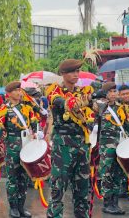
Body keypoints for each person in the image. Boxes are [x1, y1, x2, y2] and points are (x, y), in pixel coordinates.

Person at [45, 59, 94, 218]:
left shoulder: (82, 91)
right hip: (63, 144)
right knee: (58, 188)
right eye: (72, 72)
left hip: (82, 143)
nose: (76, 75)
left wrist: (95, 100)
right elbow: (66, 104)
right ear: (63, 74)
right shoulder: (54, 90)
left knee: (82, 188)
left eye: (77, 71)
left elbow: (97, 109)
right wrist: (86, 101)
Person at [0, 81, 36, 218]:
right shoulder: (3, 109)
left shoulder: (27, 108)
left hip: (26, 145)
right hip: (12, 146)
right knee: (13, 178)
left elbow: (34, 123)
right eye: (16, 91)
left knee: (24, 178)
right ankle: (13, 207)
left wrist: (38, 132)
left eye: (20, 90)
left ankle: (21, 207)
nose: (19, 93)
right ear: (9, 94)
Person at [95, 82, 129, 215]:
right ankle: (107, 203)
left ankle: (115, 203)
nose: (113, 94)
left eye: (115, 91)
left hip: (119, 146)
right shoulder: (100, 107)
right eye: (110, 91)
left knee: (118, 174)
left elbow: (126, 125)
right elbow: (91, 122)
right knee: (106, 174)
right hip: (106, 147)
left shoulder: (121, 108)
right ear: (105, 94)